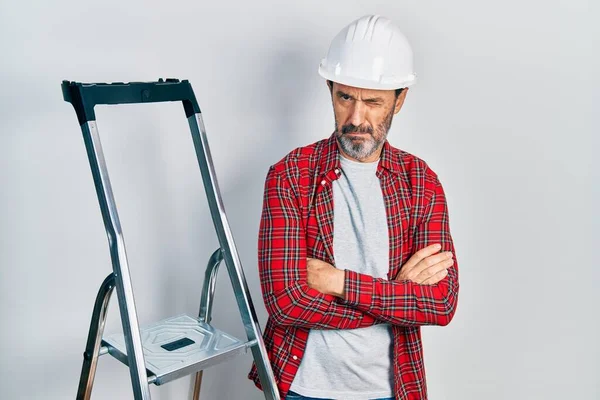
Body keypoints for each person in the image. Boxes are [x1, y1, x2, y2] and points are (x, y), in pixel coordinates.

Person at [248, 15, 459, 400]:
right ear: (330, 89)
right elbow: (285, 303)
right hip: (301, 388)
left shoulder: (421, 182)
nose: (356, 118)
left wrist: (337, 281)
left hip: (393, 389)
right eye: (345, 97)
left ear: (400, 100)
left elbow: (441, 303)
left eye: (373, 102)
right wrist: (396, 294)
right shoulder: (291, 175)